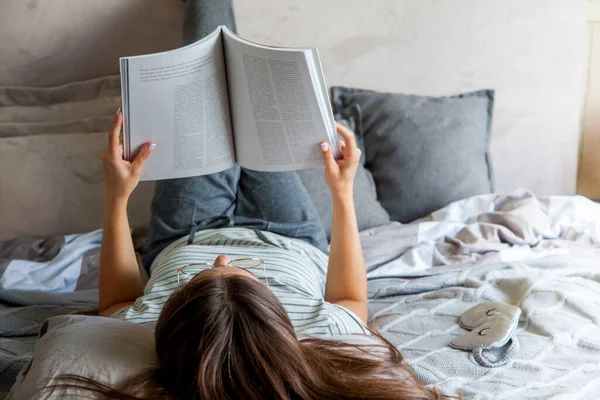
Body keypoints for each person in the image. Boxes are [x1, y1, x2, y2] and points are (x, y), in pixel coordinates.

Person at [51, 1, 453, 398]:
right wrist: (341, 193)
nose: (224, 259)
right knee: (256, 92)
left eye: (199, 279)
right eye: (243, 276)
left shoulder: (162, 329)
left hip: (189, 231)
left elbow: (119, 300)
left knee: (202, 81)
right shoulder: (322, 332)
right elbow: (351, 298)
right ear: (274, 317)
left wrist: (117, 194)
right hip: (289, 233)